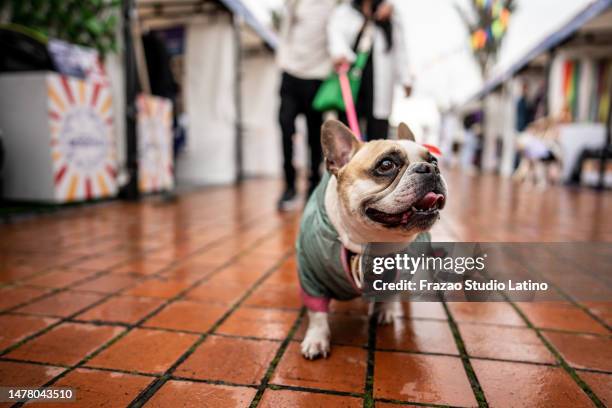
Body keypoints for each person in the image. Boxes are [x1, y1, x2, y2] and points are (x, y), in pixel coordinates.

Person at [276, 0, 337, 211]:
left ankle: (313, 186)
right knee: (285, 127)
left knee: (314, 136)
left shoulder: (333, 7)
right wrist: (282, 60)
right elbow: (285, 28)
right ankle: (289, 185)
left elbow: (336, 37)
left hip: (317, 77)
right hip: (291, 72)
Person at [327, 0, 412, 140]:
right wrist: (340, 54)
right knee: (347, 131)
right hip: (352, 79)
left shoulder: (391, 14)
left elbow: (400, 49)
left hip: (379, 83)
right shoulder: (345, 12)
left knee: (378, 131)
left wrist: (406, 78)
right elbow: (336, 36)